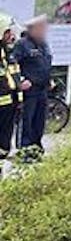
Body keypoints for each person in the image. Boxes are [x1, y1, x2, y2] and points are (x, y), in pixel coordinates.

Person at [11, 16, 51, 161]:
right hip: (30, 91)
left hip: (43, 89)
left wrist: (49, 78)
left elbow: (45, 63)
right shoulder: (22, 44)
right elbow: (13, 64)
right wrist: (20, 81)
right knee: (27, 120)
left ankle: (36, 149)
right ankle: (25, 150)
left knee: (39, 121)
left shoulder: (43, 44)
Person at [0, 26, 21, 161]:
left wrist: (19, 98)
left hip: (9, 99)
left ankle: (3, 153)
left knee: (7, 130)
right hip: (3, 96)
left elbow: (15, 75)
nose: (11, 35)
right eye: (7, 32)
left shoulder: (10, 52)